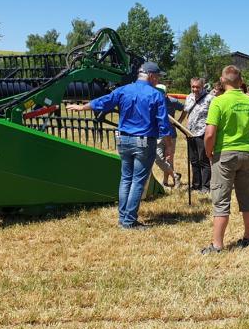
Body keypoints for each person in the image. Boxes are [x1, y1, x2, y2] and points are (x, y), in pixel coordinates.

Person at [66, 62, 171, 229]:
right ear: (150, 76)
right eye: (157, 76)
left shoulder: (124, 90)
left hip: (123, 140)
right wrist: (168, 144)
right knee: (137, 181)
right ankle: (129, 221)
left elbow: (104, 101)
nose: (157, 80)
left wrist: (82, 107)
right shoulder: (156, 95)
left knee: (125, 179)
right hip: (143, 142)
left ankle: (123, 218)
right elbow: (163, 124)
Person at [201, 65, 249, 254]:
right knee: (247, 197)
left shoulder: (218, 102)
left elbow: (210, 134)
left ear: (222, 80)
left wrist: (209, 153)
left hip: (224, 154)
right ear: (240, 81)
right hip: (246, 153)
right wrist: (248, 147)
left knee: (221, 199)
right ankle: (248, 237)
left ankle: (217, 245)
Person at [178, 77, 214, 194]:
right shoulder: (189, 97)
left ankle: (206, 186)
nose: (195, 89)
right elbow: (185, 111)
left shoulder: (210, 99)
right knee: (193, 160)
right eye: (193, 86)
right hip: (190, 133)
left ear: (203, 86)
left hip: (203, 133)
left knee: (203, 160)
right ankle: (196, 185)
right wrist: (178, 123)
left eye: (197, 87)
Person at [154, 83, 184, 188]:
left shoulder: (172, 101)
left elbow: (184, 108)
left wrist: (179, 121)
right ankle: (175, 176)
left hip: (171, 135)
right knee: (158, 158)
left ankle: (166, 182)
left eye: (161, 93)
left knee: (169, 159)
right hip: (157, 134)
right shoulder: (153, 101)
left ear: (166, 94)